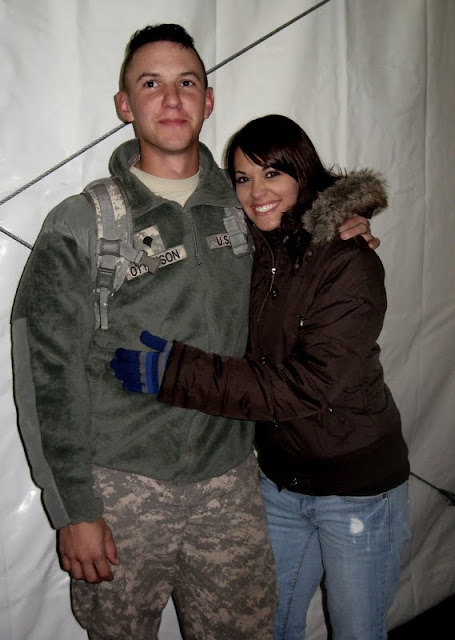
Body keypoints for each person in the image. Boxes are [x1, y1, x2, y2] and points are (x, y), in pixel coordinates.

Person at [11, 23, 376, 640]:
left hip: (230, 485)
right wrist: (72, 508)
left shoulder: (249, 206)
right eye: (151, 84)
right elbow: (46, 372)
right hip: (121, 490)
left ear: (208, 100)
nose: (171, 99)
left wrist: (348, 222)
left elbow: (308, 242)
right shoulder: (82, 223)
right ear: (125, 104)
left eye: (186, 83)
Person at [112, 115, 410, 640]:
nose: (257, 193)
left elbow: (309, 386)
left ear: (303, 173)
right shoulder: (246, 251)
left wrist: (178, 372)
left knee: (358, 631)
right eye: (243, 178)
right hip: (278, 484)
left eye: (273, 173)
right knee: (269, 627)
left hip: (356, 488)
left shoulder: (348, 263)